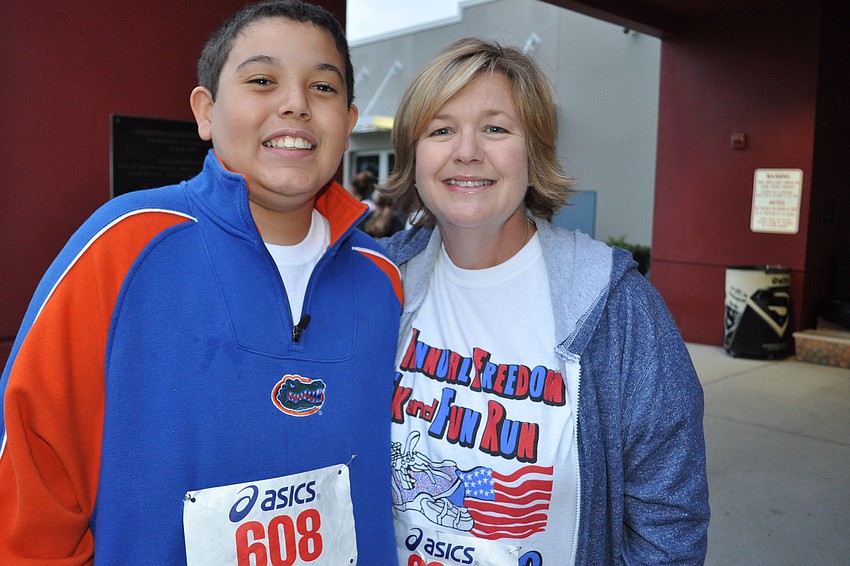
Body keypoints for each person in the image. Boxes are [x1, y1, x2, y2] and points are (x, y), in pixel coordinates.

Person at [0, 2, 402, 564]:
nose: (295, 103)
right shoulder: (122, 247)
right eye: (262, 80)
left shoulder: (384, 279)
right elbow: (30, 475)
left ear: (350, 121)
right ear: (206, 112)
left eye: (323, 87)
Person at [381, 37, 709, 565]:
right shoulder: (378, 283)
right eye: (441, 130)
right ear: (414, 155)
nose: (466, 150)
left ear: (533, 152)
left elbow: (669, 523)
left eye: (495, 128)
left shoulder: (619, 308)